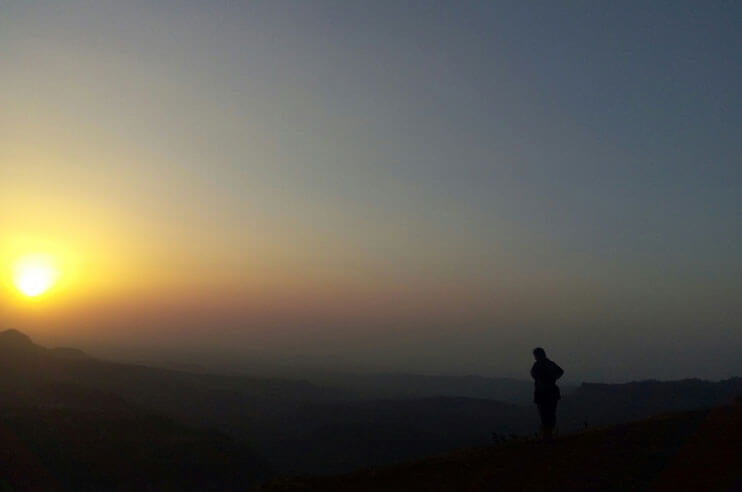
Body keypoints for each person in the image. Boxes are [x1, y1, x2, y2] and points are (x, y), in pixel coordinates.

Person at [530, 347, 564, 441]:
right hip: (547, 393)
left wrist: (549, 379)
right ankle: (548, 435)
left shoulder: (542, 364)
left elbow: (560, 372)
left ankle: (547, 435)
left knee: (546, 415)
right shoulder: (545, 364)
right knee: (548, 415)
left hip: (545, 393)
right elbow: (560, 372)